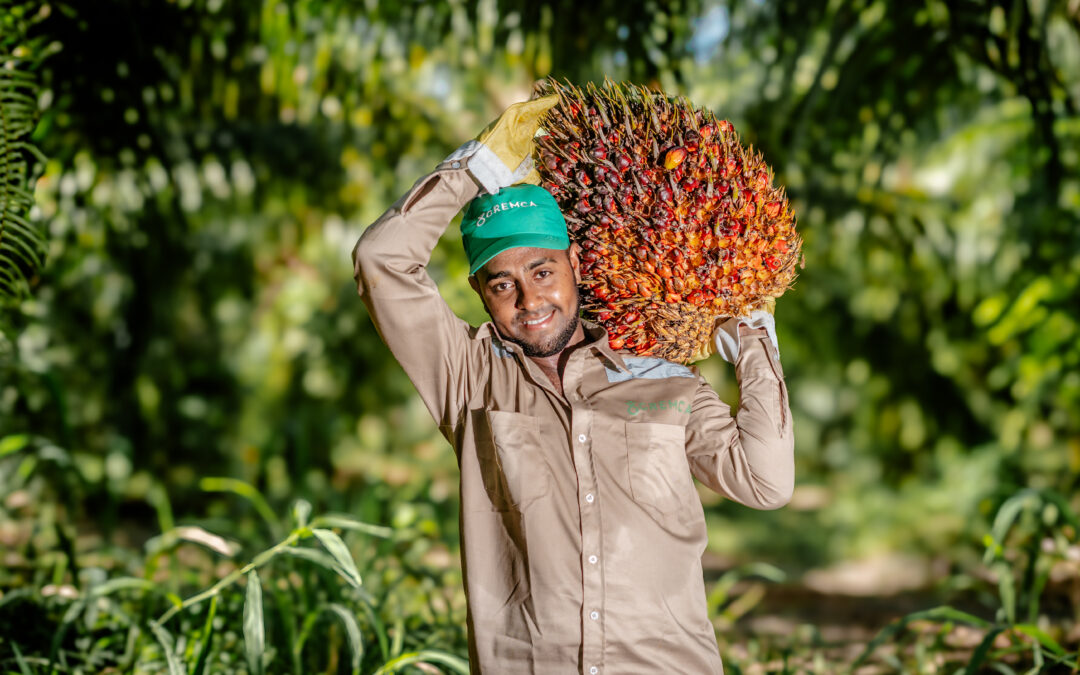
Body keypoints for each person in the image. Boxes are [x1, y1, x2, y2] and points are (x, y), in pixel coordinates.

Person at [351, 96, 794, 674]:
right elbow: (380, 259)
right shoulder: (468, 379)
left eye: (542, 272)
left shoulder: (663, 378)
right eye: (502, 284)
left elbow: (765, 482)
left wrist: (753, 330)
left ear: (576, 267)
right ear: (480, 293)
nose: (530, 301)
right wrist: (475, 169)